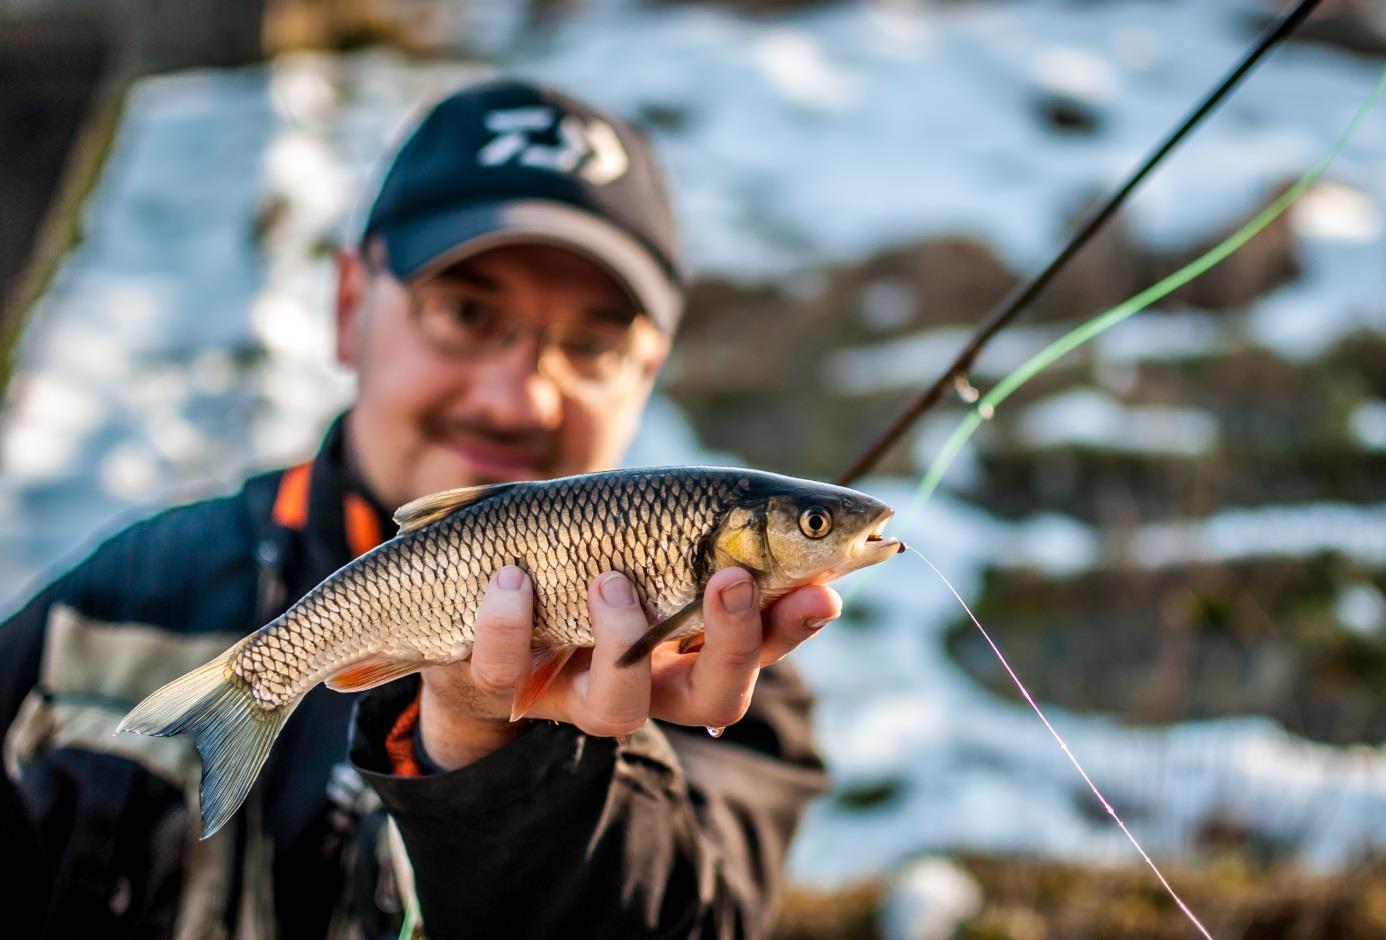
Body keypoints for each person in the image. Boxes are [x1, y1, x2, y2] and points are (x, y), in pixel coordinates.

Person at [1, 79, 840, 938]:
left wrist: (501, 759)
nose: (520, 400)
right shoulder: (113, 602)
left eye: (591, 345)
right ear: (350, 305)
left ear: (645, 374)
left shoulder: (733, 676)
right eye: (467, 313)